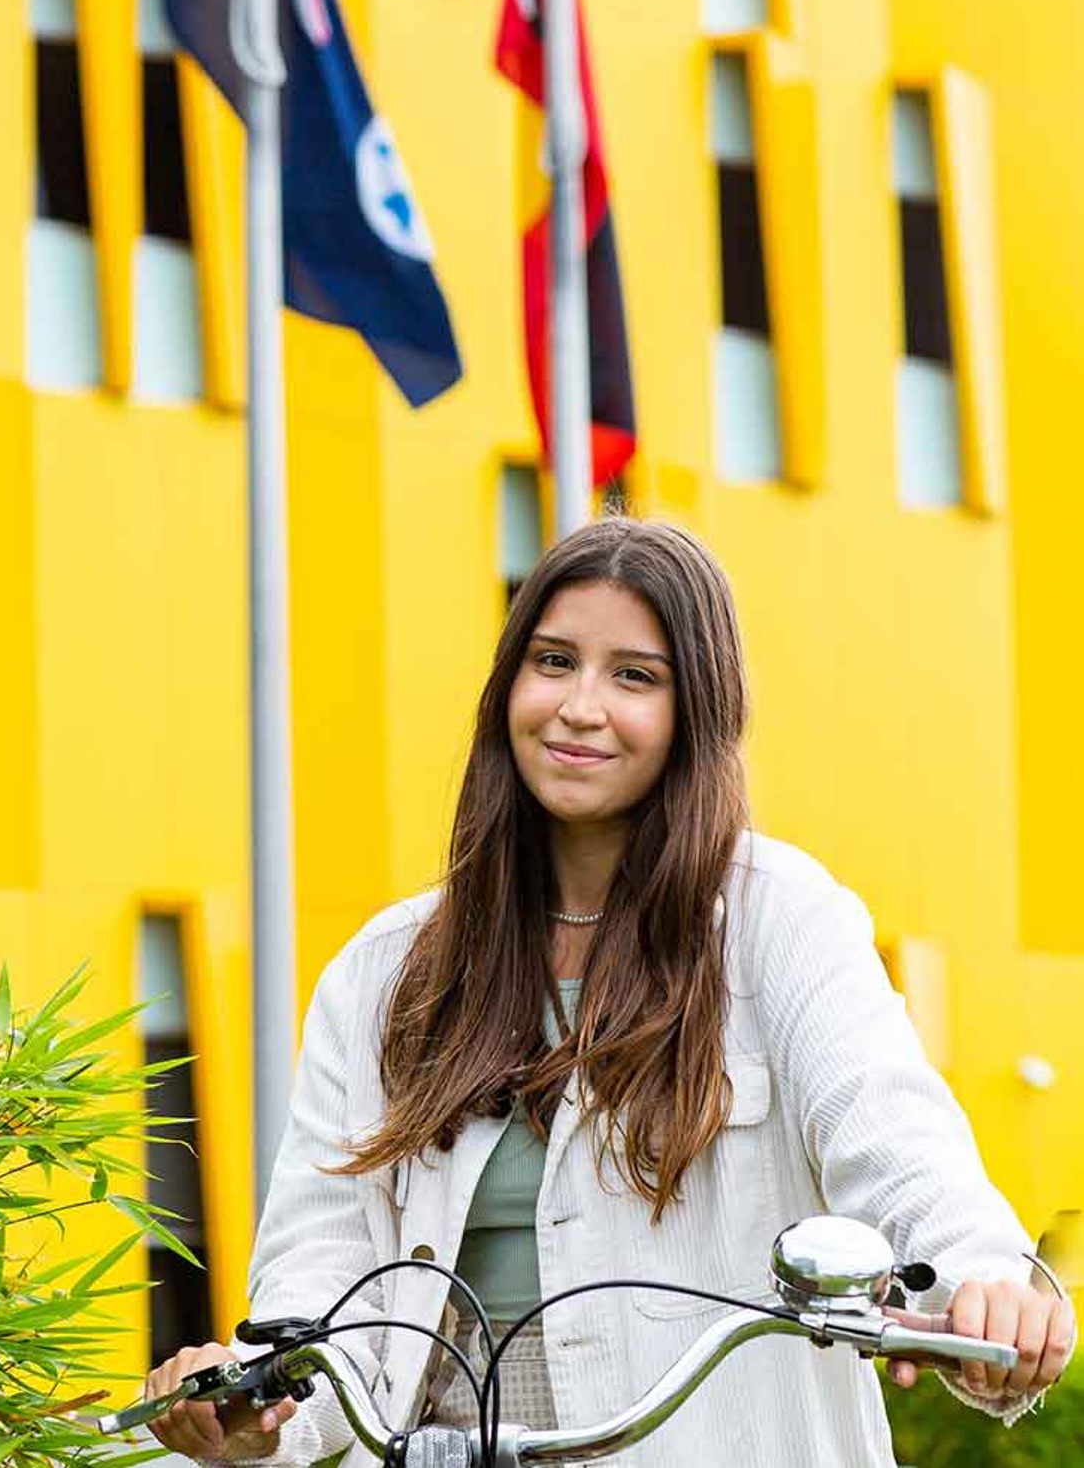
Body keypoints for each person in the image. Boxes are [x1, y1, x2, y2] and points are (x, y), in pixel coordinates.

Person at [144, 519, 1074, 1466]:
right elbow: (319, 1282)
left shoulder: (781, 920)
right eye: (553, 662)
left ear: (695, 711)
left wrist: (986, 1285)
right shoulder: (384, 972)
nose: (579, 707)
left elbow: (898, 1143)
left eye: (635, 676)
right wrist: (252, 1403)